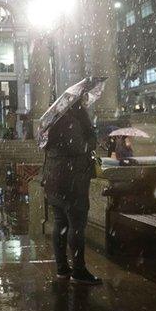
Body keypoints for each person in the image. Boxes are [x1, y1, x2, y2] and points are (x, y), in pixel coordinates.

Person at [41, 99, 102, 285]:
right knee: (76, 225)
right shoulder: (71, 121)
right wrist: (91, 135)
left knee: (60, 223)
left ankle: (62, 268)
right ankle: (78, 270)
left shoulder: (51, 120)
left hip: (54, 178)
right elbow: (78, 147)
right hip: (72, 180)